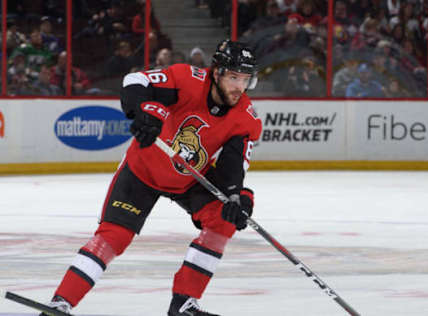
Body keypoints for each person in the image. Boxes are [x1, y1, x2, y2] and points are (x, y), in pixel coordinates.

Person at [39, 39, 262, 316]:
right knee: (115, 236)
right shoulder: (186, 79)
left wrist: (235, 196)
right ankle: (60, 303)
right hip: (143, 170)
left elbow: (233, 166)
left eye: (245, 79)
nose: (239, 87)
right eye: (233, 77)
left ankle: (184, 304)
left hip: (189, 177)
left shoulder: (247, 119)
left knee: (224, 220)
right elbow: (136, 80)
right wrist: (141, 112)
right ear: (216, 72)